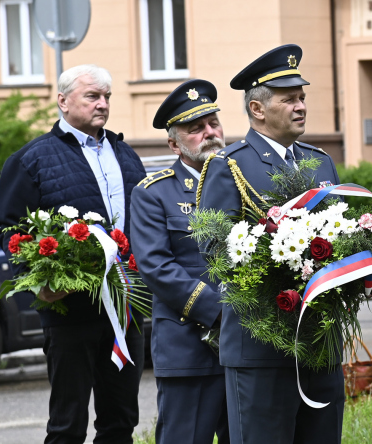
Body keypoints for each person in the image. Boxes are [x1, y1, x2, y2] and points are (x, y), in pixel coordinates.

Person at [196, 44, 344, 444]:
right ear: (258, 109)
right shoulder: (230, 165)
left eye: (302, 97)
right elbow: (212, 249)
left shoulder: (321, 161)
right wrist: (280, 260)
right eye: (289, 99)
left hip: (320, 339)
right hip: (261, 344)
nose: (300, 106)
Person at [0, 64, 147, 444]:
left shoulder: (125, 153)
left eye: (107, 97)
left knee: (121, 420)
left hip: (124, 306)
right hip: (70, 309)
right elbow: (11, 231)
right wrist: (42, 283)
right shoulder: (31, 158)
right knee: (67, 424)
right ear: (63, 102)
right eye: (93, 96)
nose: (103, 104)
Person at [130, 79, 229, 444]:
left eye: (213, 123)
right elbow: (156, 266)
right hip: (190, 347)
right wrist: (220, 311)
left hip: (250, 345)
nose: (210, 133)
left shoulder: (246, 183)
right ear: (174, 143)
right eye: (196, 128)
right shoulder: (154, 193)